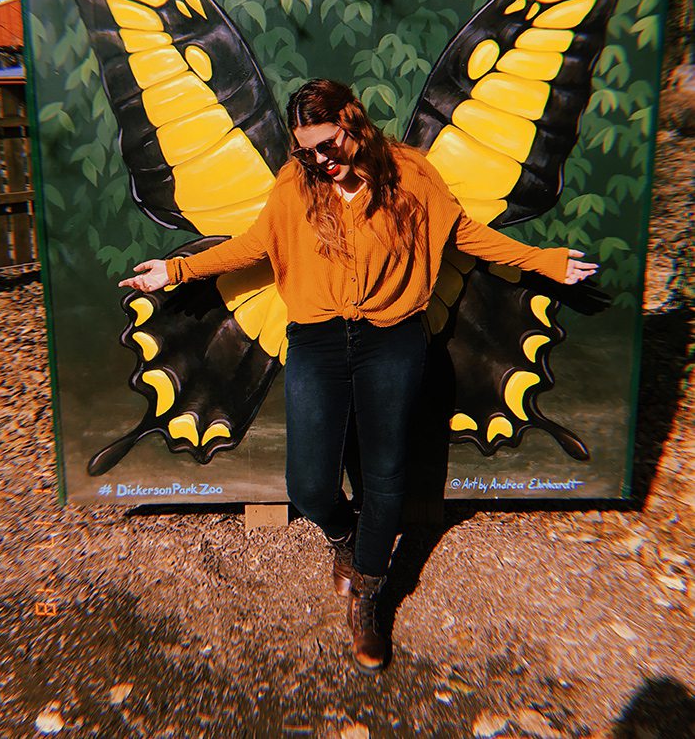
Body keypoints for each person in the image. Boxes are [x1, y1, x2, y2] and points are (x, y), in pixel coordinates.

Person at [120, 78, 598, 673]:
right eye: (305, 150)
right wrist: (176, 268)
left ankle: (370, 593)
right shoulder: (297, 182)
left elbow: (466, 237)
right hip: (317, 340)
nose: (318, 159)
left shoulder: (411, 175)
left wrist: (546, 263)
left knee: (386, 474)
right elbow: (256, 244)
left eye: (326, 144)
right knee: (310, 487)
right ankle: (345, 540)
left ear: (353, 122)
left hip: (392, 340)